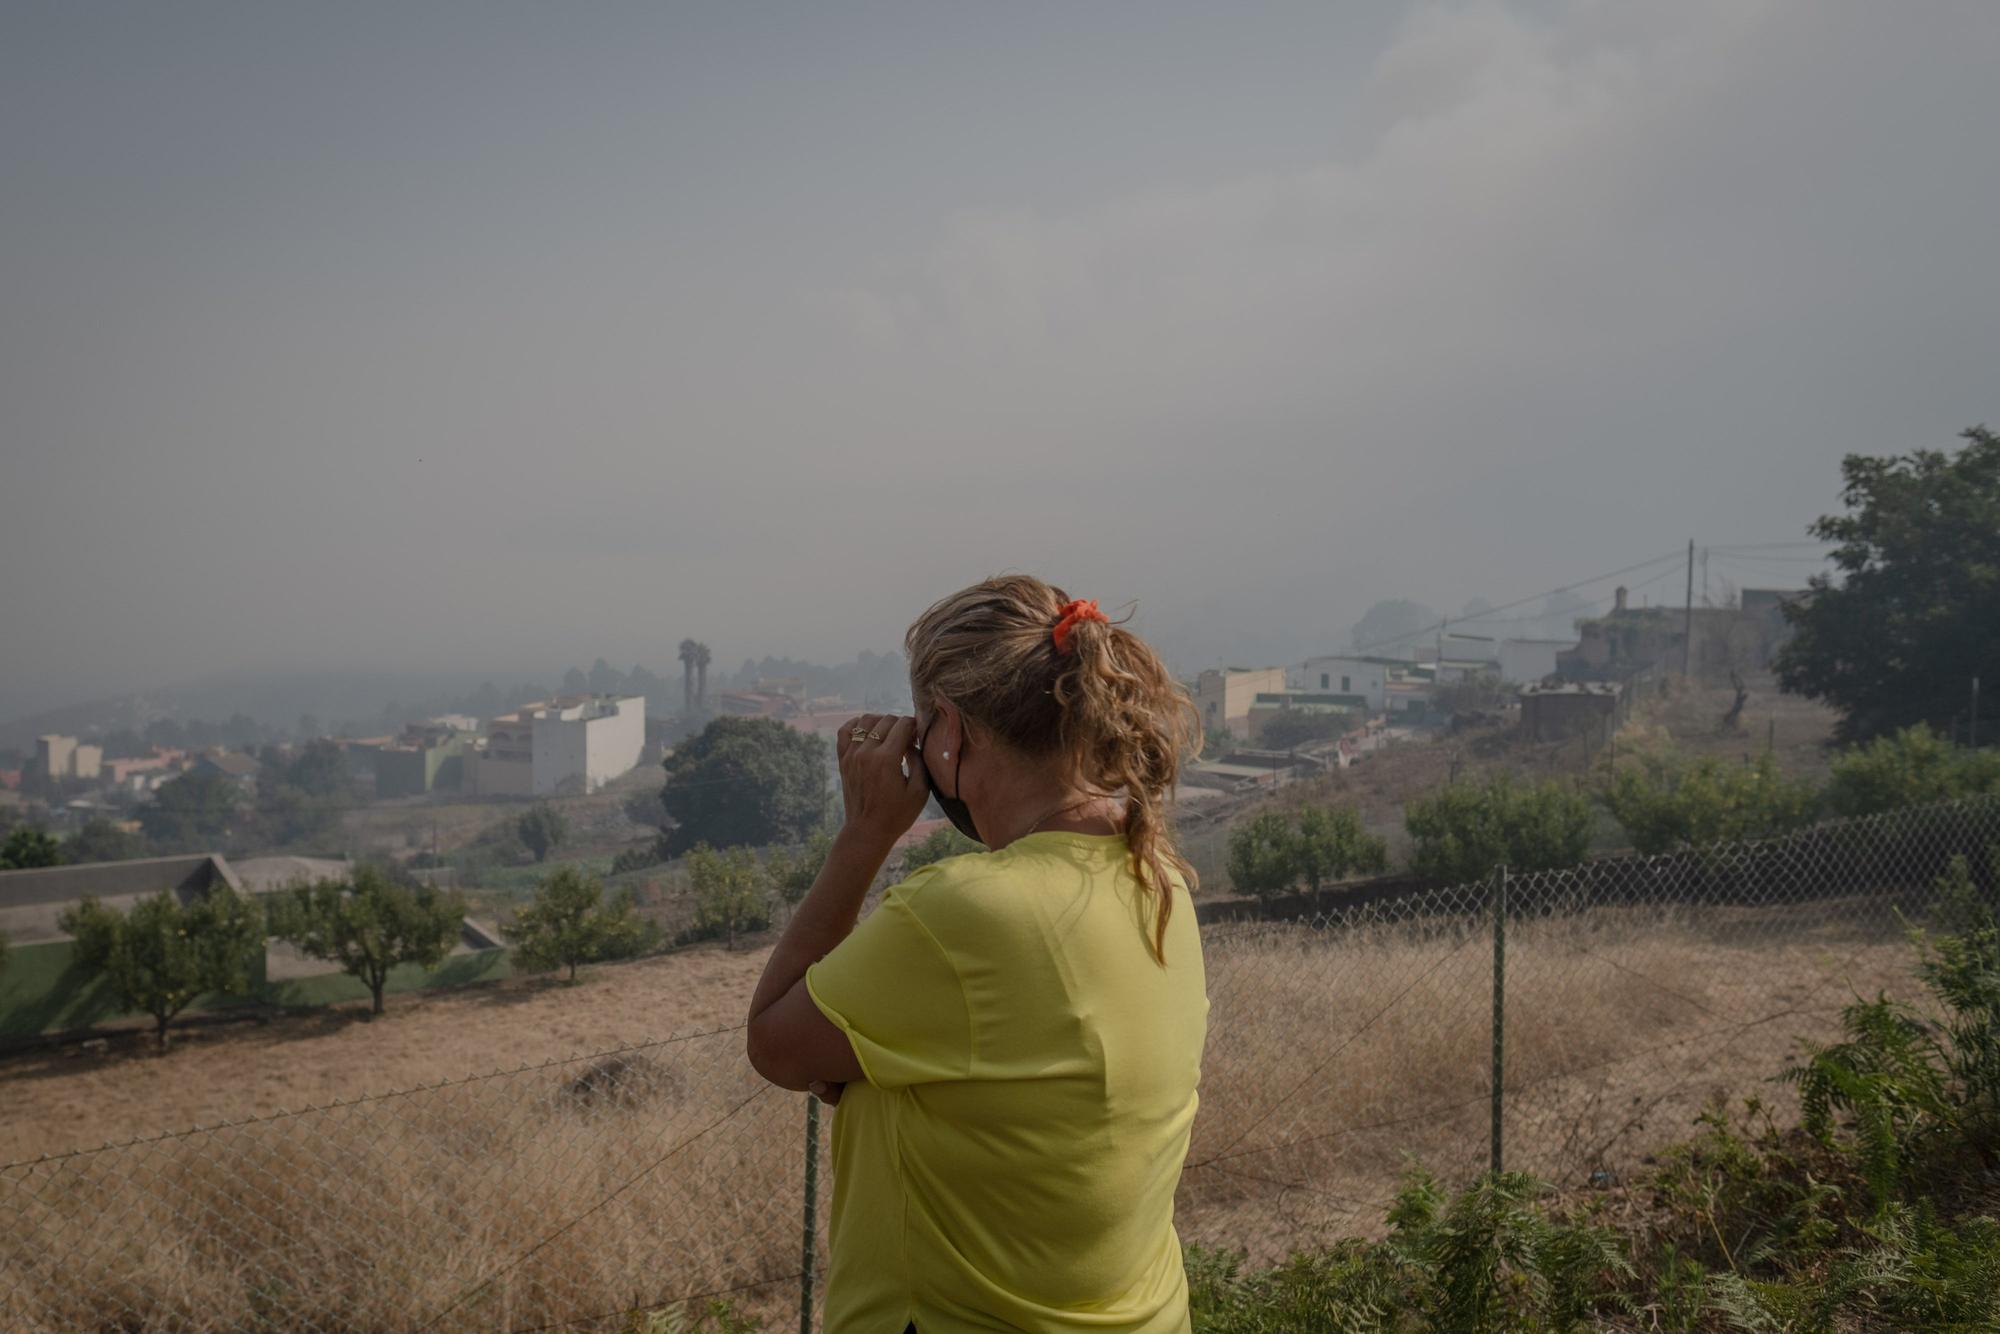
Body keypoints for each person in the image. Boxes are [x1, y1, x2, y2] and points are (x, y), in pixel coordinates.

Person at [747, 575, 1210, 1333]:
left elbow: (774, 1040)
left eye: (924, 726)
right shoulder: (1157, 880)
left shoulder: (962, 911)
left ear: (953, 734)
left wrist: (864, 833)